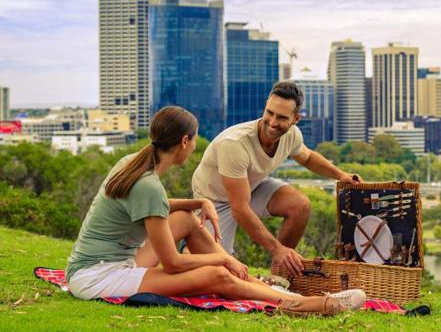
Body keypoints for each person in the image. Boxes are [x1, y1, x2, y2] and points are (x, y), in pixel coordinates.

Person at [66, 106, 365, 316]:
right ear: (184, 142)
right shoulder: (148, 184)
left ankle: (271, 291)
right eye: (194, 140)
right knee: (217, 275)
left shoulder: (133, 163)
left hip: (112, 263)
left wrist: (196, 203)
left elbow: (150, 208)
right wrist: (222, 257)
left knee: (185, 220)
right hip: (99, 277)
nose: (195, 146)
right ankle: (308, 305)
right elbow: (171, 263)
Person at [192, 82, 360, 277]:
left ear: (295, 119)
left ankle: (278, 276)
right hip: (214, 200)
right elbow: (240, 209)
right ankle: (190, 243)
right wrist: (276, 248)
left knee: (300, 205)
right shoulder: (234, 144)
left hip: (251, 186)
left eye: (281, 117)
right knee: (217, 272)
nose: (272, 122)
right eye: (269, 113)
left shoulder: (292, 135)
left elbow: (307, 157)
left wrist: (341, 175)